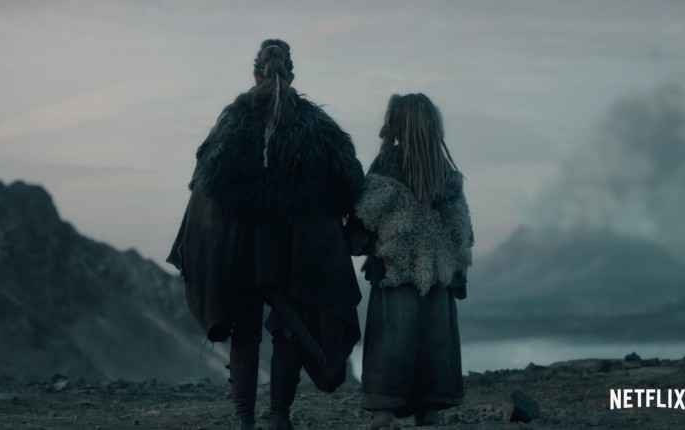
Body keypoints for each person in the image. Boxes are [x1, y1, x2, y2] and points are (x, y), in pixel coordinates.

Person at [167, 39, 364, 430]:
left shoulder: (233, 118)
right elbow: (351, 180)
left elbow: (204, 177)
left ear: (256, 74)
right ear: (292, 75)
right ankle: (278, 417)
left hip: (240, 251)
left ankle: (243, 419)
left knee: (245, 332)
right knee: (289, 330)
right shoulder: (316, 124)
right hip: (297, 251)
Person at [347, 93, 474, 429]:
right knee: (434, 337)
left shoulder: (386, 165)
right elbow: (461, 231)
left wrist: (365, 245)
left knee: (392, 337)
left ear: (398, 125)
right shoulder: (445, 172)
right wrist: (457, 273)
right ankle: (427, 409)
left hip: (395, 272)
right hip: (438, 275)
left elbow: (362, 223)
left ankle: (382, 410)